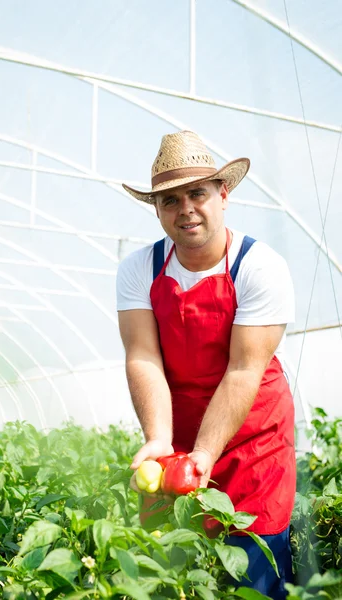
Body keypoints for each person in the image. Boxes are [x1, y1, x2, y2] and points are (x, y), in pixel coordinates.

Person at [116, 130, 296, 599]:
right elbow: (143, 356)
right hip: (176, 441)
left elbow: (243, 370)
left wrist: (207, 453)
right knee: (171, 572)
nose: (185, 209)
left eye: (197, 193)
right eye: (170, 200)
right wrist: (159, 439)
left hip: (253, 440)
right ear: (157, 211)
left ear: (223, 194)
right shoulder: (141, 268)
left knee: (252, 568)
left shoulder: (259, 267)